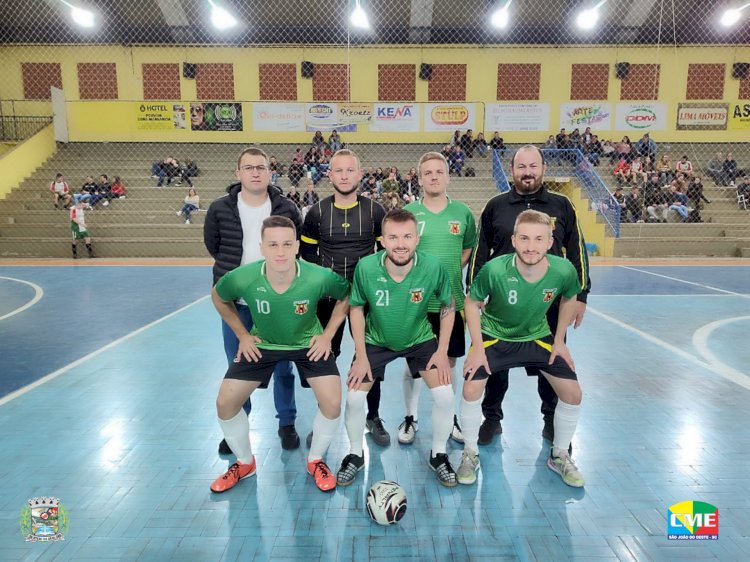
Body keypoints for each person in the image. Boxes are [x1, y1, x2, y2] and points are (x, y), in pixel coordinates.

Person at [209, 216, 350, 493]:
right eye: (273, 245)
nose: (281, 251)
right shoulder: (244, 276)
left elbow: (346, 296)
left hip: (308, 343)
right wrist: (243, 334)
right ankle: (245, 463)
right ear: (261, 247)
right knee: (225, 402)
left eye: (287, 244)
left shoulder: (318, 276)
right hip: (263, 342)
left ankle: (316, 460)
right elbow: (218, 296)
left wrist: (327, 335)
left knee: (332, 403)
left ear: (297, 246)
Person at [467, 145, 590, 446]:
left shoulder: (562, 205)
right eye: (521, 167)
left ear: (543, 168)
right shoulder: (496, 205)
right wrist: (475, 293)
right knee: (494, 368)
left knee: (551, 360)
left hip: (546, 302)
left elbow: (577, 252)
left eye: (533, 166)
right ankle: (491, 419)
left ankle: (551, 419)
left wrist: (582, 295)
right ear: (512, 170)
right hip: (501, 303)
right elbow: (480, 253)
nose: (528, 172)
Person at [458, 209, 585, 488]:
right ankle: (469, 452)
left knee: (573, 394)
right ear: (514, 240)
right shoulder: (494, 268)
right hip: (495, 336)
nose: (531, 246)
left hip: (536, 336)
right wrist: (477, 348)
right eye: (524, 238)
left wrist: (560, 340)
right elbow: (471, 303)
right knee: (470, 390)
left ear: (550, 242)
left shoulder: (563, 269)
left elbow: (570, 297)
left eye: (539, 239)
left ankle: (560, 455)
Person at [337, 209, 458, 487]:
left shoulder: (433, 267)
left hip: (419, 339)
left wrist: (441, 351)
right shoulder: (366, 267)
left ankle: (438, 454)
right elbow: (355, 308)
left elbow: (448, 306)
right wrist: (361, 356)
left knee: (444, 396)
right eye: (393, 237)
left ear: (417, 239)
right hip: (375, 341)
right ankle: (355, 454)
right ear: (382, 240)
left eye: (406, 237)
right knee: (355, 399)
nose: (400, 244)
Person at [204, 146, 303, 454]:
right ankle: (236, 424)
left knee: (283, 366)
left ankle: (286, 424)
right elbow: (214, 245)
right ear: (239, 173)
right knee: (238, 365)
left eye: (260, 167)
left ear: (270, 172)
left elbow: (295, 246)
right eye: (249, 167)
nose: (256, 172)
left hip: (278, 303)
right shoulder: (220, 208)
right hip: (237, 303)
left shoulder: (286, 208)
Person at [301, 149, 388, 446]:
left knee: (372, 355)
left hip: (366, 297)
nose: (345, 175)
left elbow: (384, 254)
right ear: (330, 175)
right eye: (339, 171)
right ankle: (325, 415)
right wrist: (322, 286)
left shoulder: (376, 212)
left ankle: (372, 416)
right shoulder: (317, 213)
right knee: (325, 354)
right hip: (329, 298)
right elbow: (309, 255)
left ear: (360, 173)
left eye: (350, 170)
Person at [400, 152, 477, 446]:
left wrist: (447, 273)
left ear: (447, 176)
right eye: (427, 172)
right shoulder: (408, 213)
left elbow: (468, 248)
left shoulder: (462, 213)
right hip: (416, 304)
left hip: (450, 303)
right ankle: (410, 416)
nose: (433, 176)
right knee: (414, 366)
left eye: (439, 172)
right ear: (419, 178)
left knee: (449, 363)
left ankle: (451, 416)